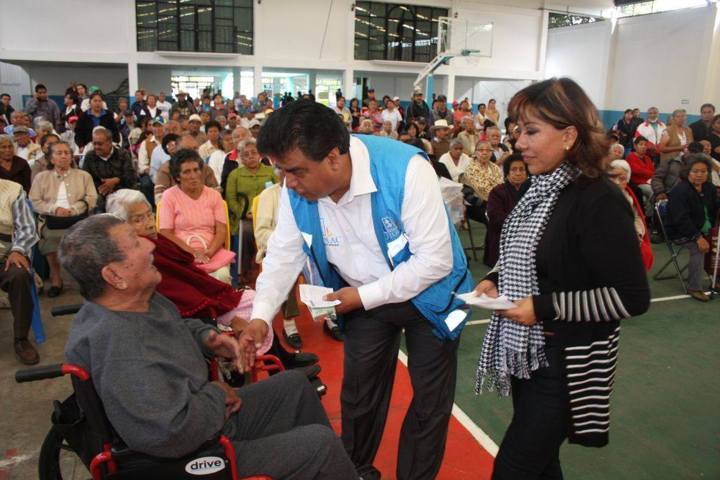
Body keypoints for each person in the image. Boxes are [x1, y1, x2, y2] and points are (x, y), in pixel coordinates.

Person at [252, 100, 473, 480]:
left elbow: (435, 261)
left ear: (333, 158)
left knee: (429, 403)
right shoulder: (295, 188)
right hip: (360, 296)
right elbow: (283, 254)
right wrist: (259, 316)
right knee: (359, 395)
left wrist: (363, 297)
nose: (288, 182)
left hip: (428, 295)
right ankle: (353, 471)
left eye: (296, 171)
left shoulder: (406, 170)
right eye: (282, 171)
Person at [58, 214, 358, 479]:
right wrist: (216, 394)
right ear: (114, 276)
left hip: (204, 417)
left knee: (294, 385)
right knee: (321, 446)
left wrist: (208, 338)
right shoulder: (120, 349)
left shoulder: (137, 303)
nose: (150, 246)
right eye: (135, 244)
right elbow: (168, 432)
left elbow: (177, 326)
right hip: (192, 452)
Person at [474, 77, 650, 480]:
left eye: (531, 131)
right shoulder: (541, 188)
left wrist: (543, 306)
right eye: (518, 130)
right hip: (531, 352)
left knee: (515, 468)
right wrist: (497, 278)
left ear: (569, 136)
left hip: (567, 363)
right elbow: (532, 254)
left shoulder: (598, 199)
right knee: (541, 465)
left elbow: (632, 297)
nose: (519, 142)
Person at [29, 141, 97, 296]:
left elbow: (92, 198)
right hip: (52, 220)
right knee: (50, 238)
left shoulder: (83, 176)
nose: (64, 156)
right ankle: (56, 278)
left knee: (82, 239)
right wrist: (54, 209)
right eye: (59, 153)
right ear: (51, 159)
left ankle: (83, 278)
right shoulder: (41, 177)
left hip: (78, 217)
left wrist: (74, 209)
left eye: (67, 153)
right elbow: (34, 201)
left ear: (72, 157)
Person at [158, 149, 234, 284]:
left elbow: (221, 230)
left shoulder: (214, 196)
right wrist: (192, 252)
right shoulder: (169, 196)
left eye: (196, 170)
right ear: (178, 177)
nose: (193, 176)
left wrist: (209, 252)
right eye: (187, 172)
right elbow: (165, 233)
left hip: (211, 252)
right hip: (180, 254)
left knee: (222, 276)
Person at [253, 168, 304, 349]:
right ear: (278, 174)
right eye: (284, 171)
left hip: (306, 246)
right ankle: (289, 324)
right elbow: (261, 232)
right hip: (277, 247)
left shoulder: (306, 190)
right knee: (285, 266)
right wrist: (283, 241)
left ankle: (330, 317)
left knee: (326, 264)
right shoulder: (269, 195)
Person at [664, 155, 719, 301]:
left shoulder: (709, 188)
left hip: (705, 229)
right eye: (695, 171)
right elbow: (681, 220)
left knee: (717, 242)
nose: (699, 174)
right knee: (698, 248)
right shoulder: (679, 192)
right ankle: (694, 287)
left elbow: (715, 208)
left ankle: (716, 279)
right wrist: (697, 237)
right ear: (687, 172)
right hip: (680, 232)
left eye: (703, 171)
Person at [0, 177, 39, 365]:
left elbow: (27, 229)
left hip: (5, 255)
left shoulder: (13, 190)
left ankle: (21, 338)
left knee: (19, 275)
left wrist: (17, 250)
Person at [225, 139, 276, 284]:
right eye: (246, 154)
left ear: (260, 154)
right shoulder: (235, 175)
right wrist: (243, 213)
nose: (251, 157)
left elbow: (278, 193)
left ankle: (269, 274)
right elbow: (231, 200)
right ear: (241, 157)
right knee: (247, 231)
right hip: (244, 218)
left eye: (254, 153)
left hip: (268, 217)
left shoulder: (270, 172)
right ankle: (244, 277)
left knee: (272, 233)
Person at [607, 159, 654, 271]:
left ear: (627, 181)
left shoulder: (629, 196)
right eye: (613, 177)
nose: (617, 182)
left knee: (644, 253)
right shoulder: (601, 196)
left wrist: (638, 234)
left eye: (622, 179)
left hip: (629, 237)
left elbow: (636, 217)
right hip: (610, 240)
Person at [483, 154, 530, 267]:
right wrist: (523, 223)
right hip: (503, 238)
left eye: (522, 169)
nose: (518, 173)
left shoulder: (533, 190)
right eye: (514, 169)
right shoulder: (497, 192)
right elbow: (495, 217)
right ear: (507, 173)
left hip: (528, 237)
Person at [82, 127, 137, 211]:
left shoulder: (123, 154)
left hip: (122, 189)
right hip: (100, 192)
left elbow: (130, 177)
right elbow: (85, 179)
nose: (96, 147)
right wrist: (104, 187)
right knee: (96, 200)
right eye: (94, 144)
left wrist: (117, 180)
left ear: (110, 142)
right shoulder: (90, 157)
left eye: (100, 144)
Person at [461, 140, 503, 223]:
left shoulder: (496, 168)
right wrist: (489, 203)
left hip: (496, 203)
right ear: (475, 152)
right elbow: (468, 195)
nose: (484, 153)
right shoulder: (469, 169)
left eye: (488, 150)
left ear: (491, 153)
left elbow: (501, 187)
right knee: (494, 215)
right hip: (477, 205)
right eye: (481, 150)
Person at [626, 136, 655, 215]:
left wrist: (651, 174)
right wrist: (651, 174)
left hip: (650, 182)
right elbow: (637, 170)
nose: (643, 147)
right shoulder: (631, 157)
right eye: (641, 144)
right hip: (638, 184)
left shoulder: (648, 158)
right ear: (635, 146)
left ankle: (651, 215)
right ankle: (649, 216)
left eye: (645, 145)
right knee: (653, 191)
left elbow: (652, 171)